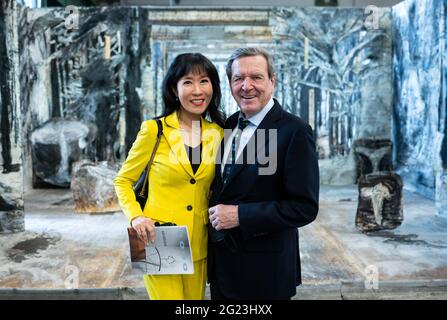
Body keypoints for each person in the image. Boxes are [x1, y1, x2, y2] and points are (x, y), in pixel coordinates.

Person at [208, 47, 319, 300]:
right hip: (223, 270)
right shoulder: (228, 125)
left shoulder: (295, 131)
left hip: (265, 273)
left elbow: (304, 207)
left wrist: (240, 215)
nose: (247, 86)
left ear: (272, 81)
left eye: (256, 77)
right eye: (238, 78)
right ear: (230, 84)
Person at [114, 53, 224, 300]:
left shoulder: (218, 133)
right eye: (188, 82)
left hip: (200, 241)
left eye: (204, 81)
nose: (197, 90)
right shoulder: (155, 130)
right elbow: (122, 180)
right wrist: (136, 217)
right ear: (174, 89)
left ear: (213, 88)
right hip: (158, 236)